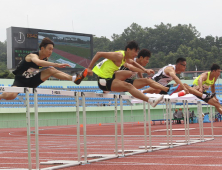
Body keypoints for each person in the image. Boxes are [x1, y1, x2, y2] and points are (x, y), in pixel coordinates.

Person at [84, 41, 181, 107]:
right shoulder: (119, 56)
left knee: (147, 80)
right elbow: (98, 54)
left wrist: (145, 70)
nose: (136, 54)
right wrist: (89, 68)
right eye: (135, 52)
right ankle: (150, 100)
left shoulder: (126, 58)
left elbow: (134, 63)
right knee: (129, 76)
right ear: (128, 50)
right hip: (104, 81)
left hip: (114, 77)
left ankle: (167, 90)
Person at [0, 37, 87, 100]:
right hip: (21, 80)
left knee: (51, 70)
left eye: (52, 49)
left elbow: (52, 70)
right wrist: (57, 64)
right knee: (12, 96)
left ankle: (74, 78)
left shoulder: (46, 59)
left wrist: (55, 67)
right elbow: (38, 62)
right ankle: (0, 96)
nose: (51, 51)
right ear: (42, 48)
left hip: (33, 80)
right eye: (49, 49)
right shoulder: (32, 55)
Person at [143, 58, 216, 101]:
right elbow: (175, 78)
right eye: (184, 66)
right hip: (155, 86)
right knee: (184, 86)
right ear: (179, 65)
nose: (185, 68)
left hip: (164, 88)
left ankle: (203, 95)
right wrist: (184, 88)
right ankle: (142, 92)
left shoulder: (175, 70)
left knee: (186, 86)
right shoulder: (170, 69)